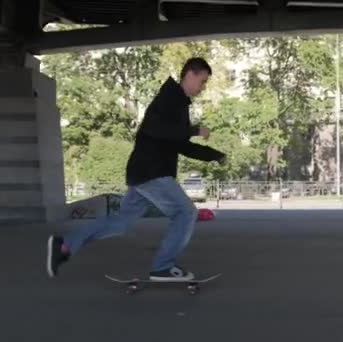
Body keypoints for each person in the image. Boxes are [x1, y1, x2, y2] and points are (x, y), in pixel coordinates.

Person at [47, 57, 226, 281]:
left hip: (143, 172)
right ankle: (163, 267)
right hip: (152, 172)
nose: (203, 88)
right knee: (186, 212)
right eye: (202, 81)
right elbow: (154, 128)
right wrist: (194, 129)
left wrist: (213, 155)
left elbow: (178, 143)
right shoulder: (170, 97)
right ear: (190, 74)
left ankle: (64, 245)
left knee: (121, 222)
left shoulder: (177, 102)